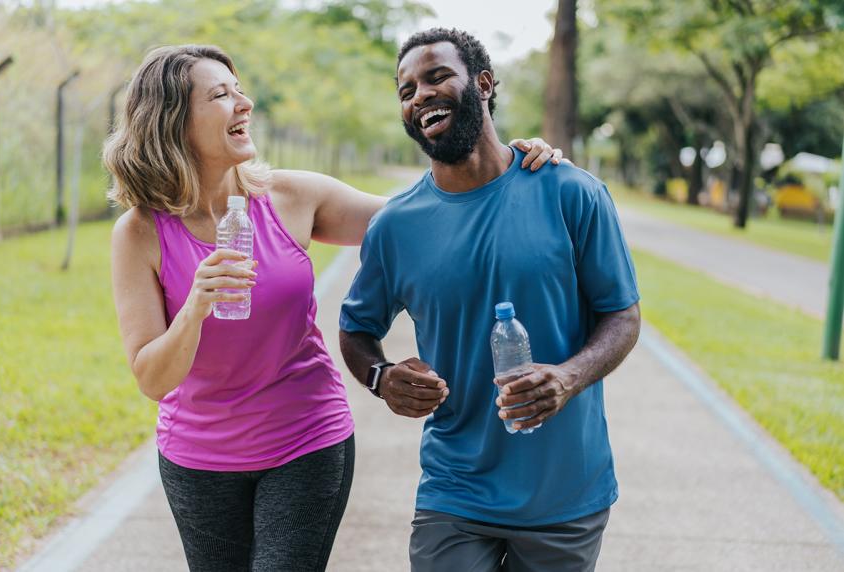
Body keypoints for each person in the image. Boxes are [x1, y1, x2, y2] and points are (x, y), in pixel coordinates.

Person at [104, 44, 561, 571]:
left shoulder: (291, 197)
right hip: (199, 458)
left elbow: (425, 218)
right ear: (173, 122)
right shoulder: (139, 234)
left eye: (239, 88)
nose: (244, 103)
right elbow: (152, 379)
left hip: (305, 438)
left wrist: (515, 167)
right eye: (221, 95)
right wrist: (195, 307)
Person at [339, 28, 641, 571]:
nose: (420, 95)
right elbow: (355, 329)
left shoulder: (571, 191)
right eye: (406, 90)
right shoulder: (395, 225)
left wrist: (568, 378)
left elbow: (622, 315)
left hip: (565, 492)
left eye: (436, 77)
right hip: (455, 489)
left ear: (483, 83)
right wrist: (381, 377)